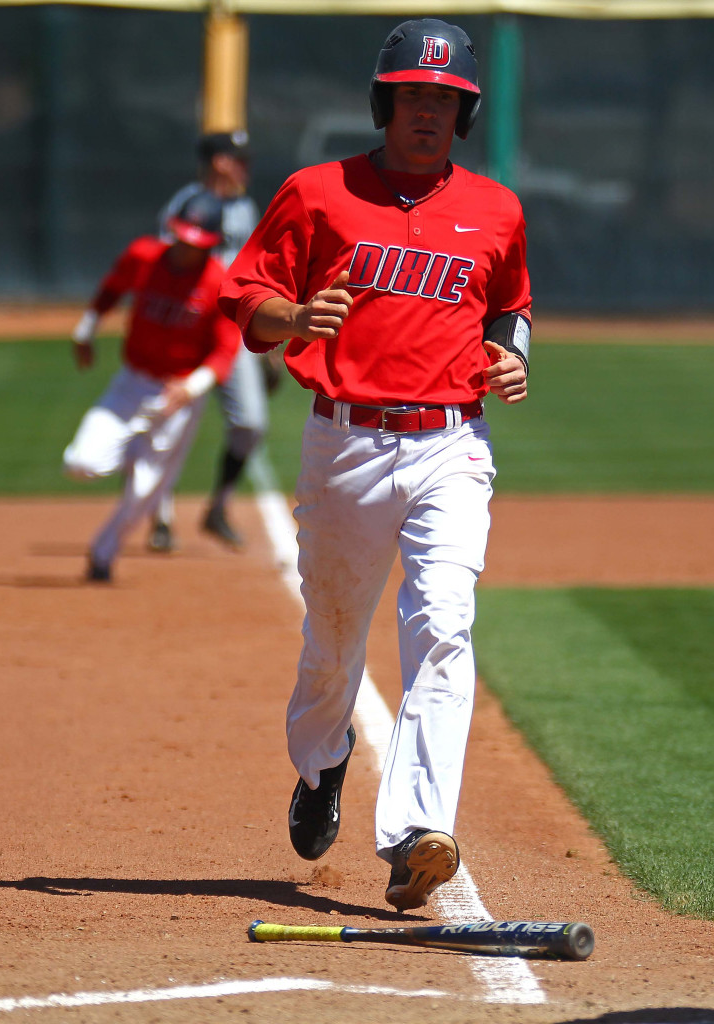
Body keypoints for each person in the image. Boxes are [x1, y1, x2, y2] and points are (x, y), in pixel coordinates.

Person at [218, 18, 531, 912]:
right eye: (412, 95)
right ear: (384, 102)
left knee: (443, 624)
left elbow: (509, 306)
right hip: (345, 442)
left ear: (462, 113)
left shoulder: (496, 207)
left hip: (451, 445)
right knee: (334, 640)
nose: (427, 111)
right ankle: (322, 767)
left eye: (444, 99)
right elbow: (248, 294)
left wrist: (513, 355)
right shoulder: (317, 192)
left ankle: (412, 835)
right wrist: (292, 318)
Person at [63, 190, 241, 582]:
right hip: (132, 382)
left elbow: (227, 348)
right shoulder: (145, 255)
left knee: (146, 491)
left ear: (212, 244)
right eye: (181, 238)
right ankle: (129, 453)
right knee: (81, 463)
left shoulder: (218, 281)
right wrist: (87, 328)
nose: (185, 249)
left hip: (177, 396)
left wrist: (192, 387)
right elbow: (113, 286)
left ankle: (102, 555)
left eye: (196, 243)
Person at [148, 130, 280, 554]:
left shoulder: (245, 206)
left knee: (251, 422)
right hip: (187, 328)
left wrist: (270, 346)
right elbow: (168, 268)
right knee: (167, 423)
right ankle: (161, 517)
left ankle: (218, 506)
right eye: (238, 158)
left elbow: (257, 271)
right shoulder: (185, 205)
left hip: (233, 329)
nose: (245, 165)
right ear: (219, 162)